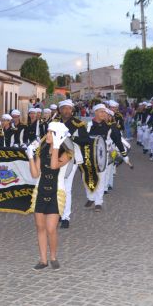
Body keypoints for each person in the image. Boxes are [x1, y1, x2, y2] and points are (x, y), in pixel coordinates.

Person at [26, 121, 73, 271]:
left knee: (51, 228)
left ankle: (53, 256)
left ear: (58, 135)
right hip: (40, 190)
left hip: (56, 192)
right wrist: (30, 157)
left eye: (50, 133)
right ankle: (43, 260)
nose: (47, 135)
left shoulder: (67, 153)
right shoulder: (42, 150)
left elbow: (54, 166)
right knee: (40, 227)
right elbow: (35, 174)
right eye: (47, 132)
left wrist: (57, 146)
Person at [56, 99, 87, 229]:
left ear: (72, 110)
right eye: (64, 108)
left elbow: (87, 141)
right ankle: (58, 212)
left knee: (66, 187)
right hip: (56, 159)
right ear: (60, 110)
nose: (66, 111)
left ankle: (66, 217)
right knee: (57, 187)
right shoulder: (55, 123)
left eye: (69, 108)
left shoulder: (78, 124)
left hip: (71, 158)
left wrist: (72, 137)